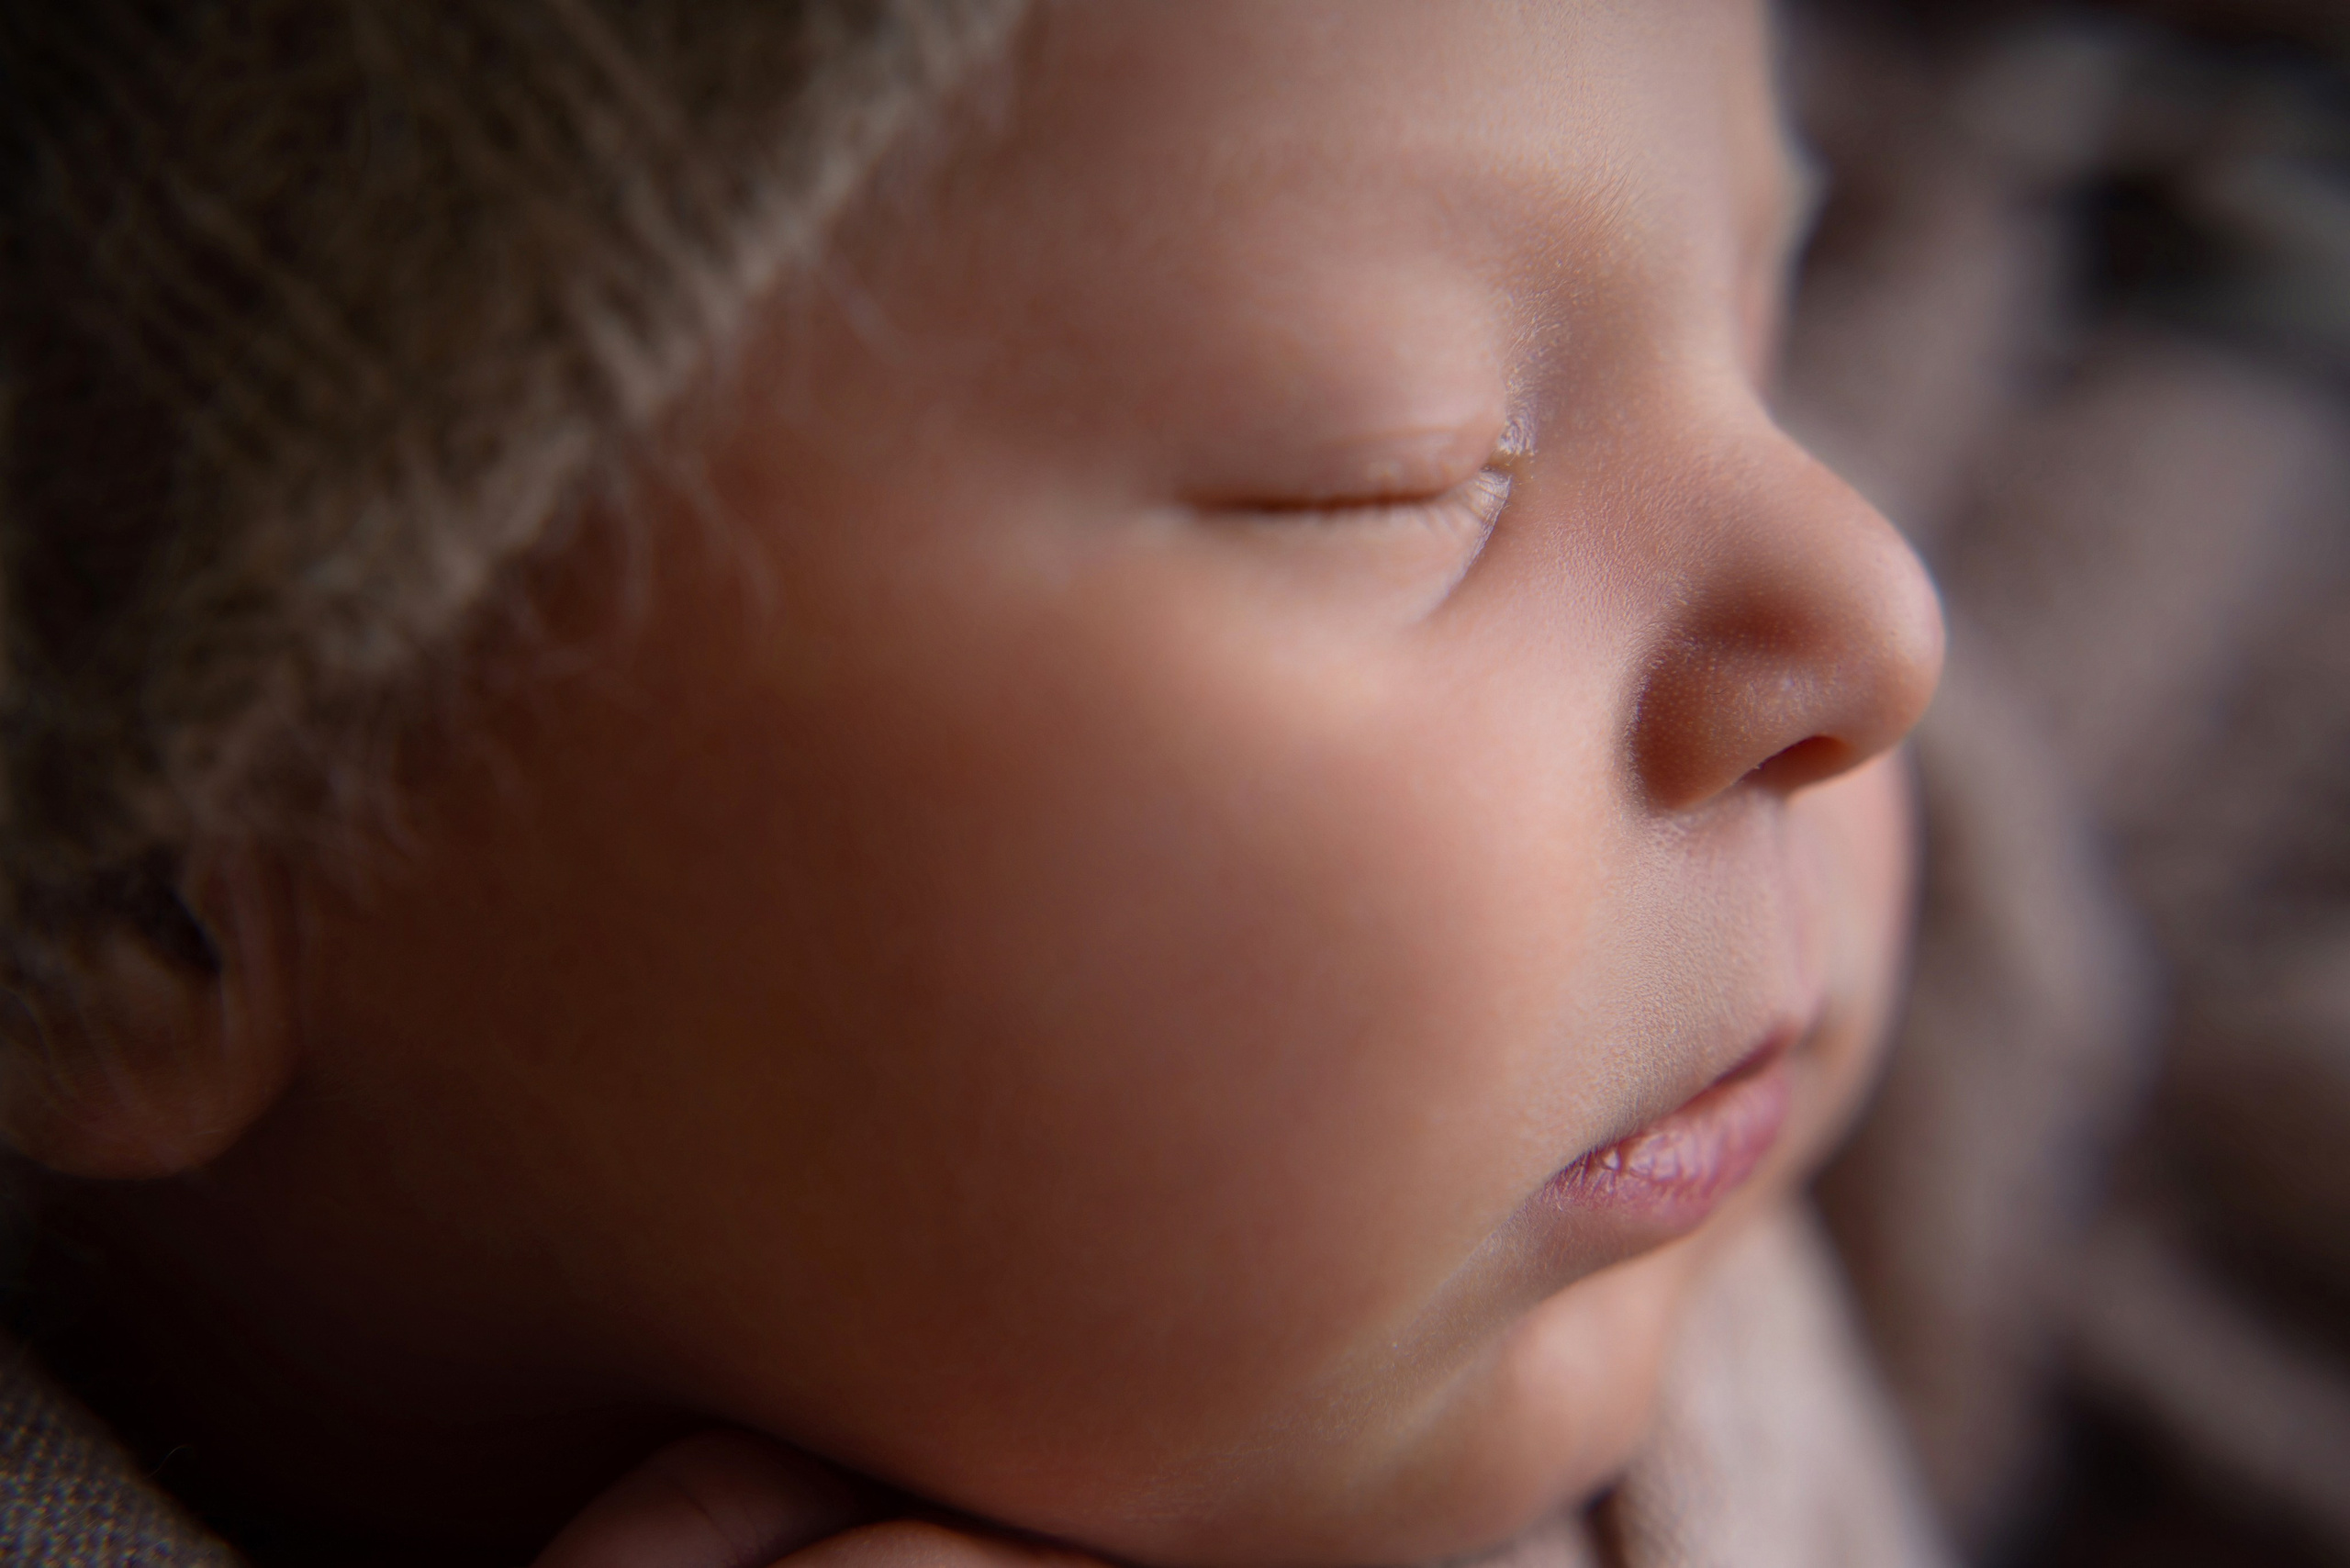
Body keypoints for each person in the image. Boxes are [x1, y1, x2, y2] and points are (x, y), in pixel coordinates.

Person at [0, 3, 1947, 1564]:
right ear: (147, 887)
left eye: (1763, 324)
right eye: (1398, 465)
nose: (1880, 618)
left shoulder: (1615, 1202)